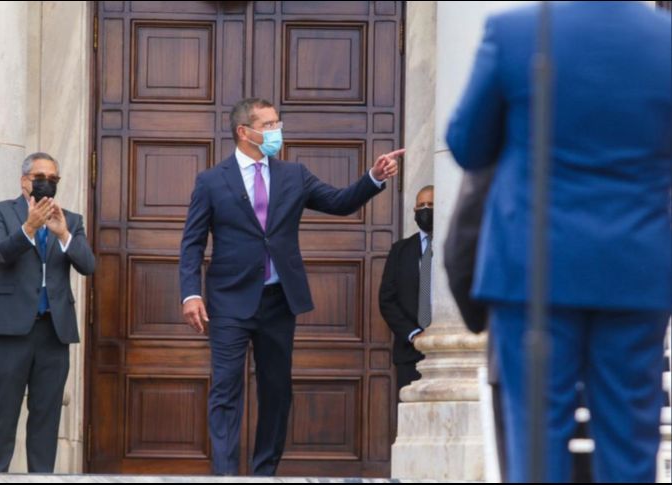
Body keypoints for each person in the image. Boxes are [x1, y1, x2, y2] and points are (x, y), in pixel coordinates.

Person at [446, 2, 671, 482]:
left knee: (536, 446)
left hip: (533, 268)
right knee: (631, 448)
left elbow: (466, 144)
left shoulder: (514, 32)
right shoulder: (665, 40)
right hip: (635, 269)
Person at [180, 97, 402, 476]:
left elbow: (339, 202)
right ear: (243, 132)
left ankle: (264, 471)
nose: (275, 131)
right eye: (267, 125)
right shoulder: (212, 181)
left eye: (276, 123)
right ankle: (224, 475)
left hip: (278, 301)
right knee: (226, 390)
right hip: (230, 301)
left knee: (277, 391)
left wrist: (374, 177)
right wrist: (191, 292)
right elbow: (193, 241)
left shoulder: (294, 175)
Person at [0, 152, 95, 473]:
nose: (47, 184)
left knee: (46, 420)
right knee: (3, 418)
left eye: (53, 179)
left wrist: (63, 234)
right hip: (10, 332)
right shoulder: (0, 212)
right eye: (41, 177)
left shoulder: (71, 220)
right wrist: (28, 229)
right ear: (24, 181)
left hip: (53, 332)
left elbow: (88, 265)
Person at [379, 185, 433, 395]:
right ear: (414, 210)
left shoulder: (452, 246)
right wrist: (412, 334)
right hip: (409, 351)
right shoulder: (400, 250)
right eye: (421, 205)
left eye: (431, 205)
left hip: (451, 346)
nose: (426, 210)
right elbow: (387, 299)